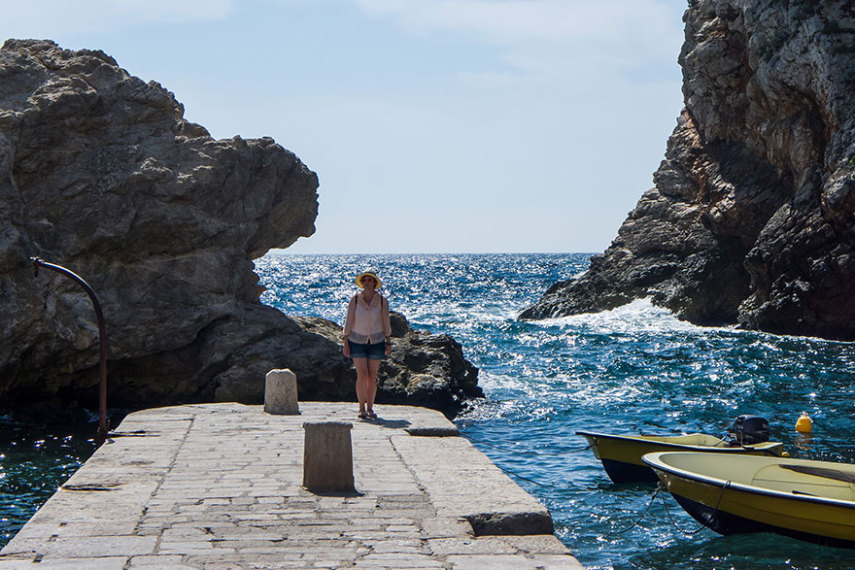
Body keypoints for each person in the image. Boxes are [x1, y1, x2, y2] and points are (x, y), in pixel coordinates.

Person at [342, 270, 392, 420]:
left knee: (372, 376)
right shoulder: (355, 299)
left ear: (375, 283)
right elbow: (349, 320)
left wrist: (388, 341)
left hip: (376, 341)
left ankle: (370, 408)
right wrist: (346, 341)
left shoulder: (382, 301)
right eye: (365, 280)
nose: (367, 282)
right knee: (362, 375)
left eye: (370, 280)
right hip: (357, 340)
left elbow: (385, 322)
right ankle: (361, 408)